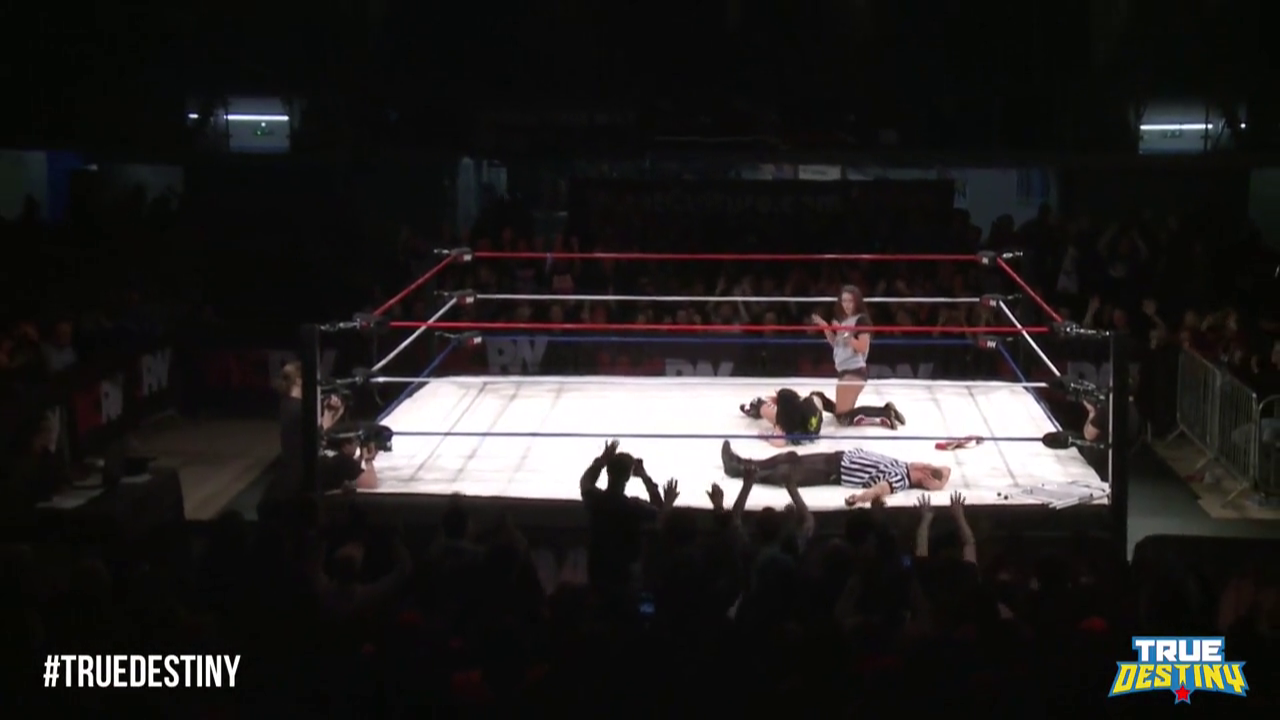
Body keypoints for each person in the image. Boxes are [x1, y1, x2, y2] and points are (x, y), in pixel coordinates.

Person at [720, 440, 950, 506]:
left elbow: (879, 490)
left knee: (787, 474)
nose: (925, 464)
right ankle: (744, 463)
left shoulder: (901, 479)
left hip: (833, 471)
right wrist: (933, 473)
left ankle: (740, 472)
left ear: (925, 476)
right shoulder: (906, 466)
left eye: (927, 467)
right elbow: (947, 471)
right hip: (837, 458)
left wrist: (860, 498)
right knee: (790, 457)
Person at [807, 285, 906, 429]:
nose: (846, 305)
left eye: (850, 301)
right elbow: (837, 344)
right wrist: (826, 327)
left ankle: (885, 413)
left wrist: (844, 332)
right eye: (844, 301)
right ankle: (819, 399)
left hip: (854, 371)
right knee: (843, 414)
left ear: (857, 302)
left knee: (843, 418)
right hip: (845, 370)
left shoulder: (861, 320)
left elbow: (862, 347)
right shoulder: (845, 321)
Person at [739, 388, 824, 447]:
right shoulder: (809, 403)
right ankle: (759, 406)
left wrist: (766, 437)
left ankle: (757, 406)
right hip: (811, 429)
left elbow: (779, 443)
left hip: (801, 432)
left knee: (766, 410)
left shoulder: (786, 423)